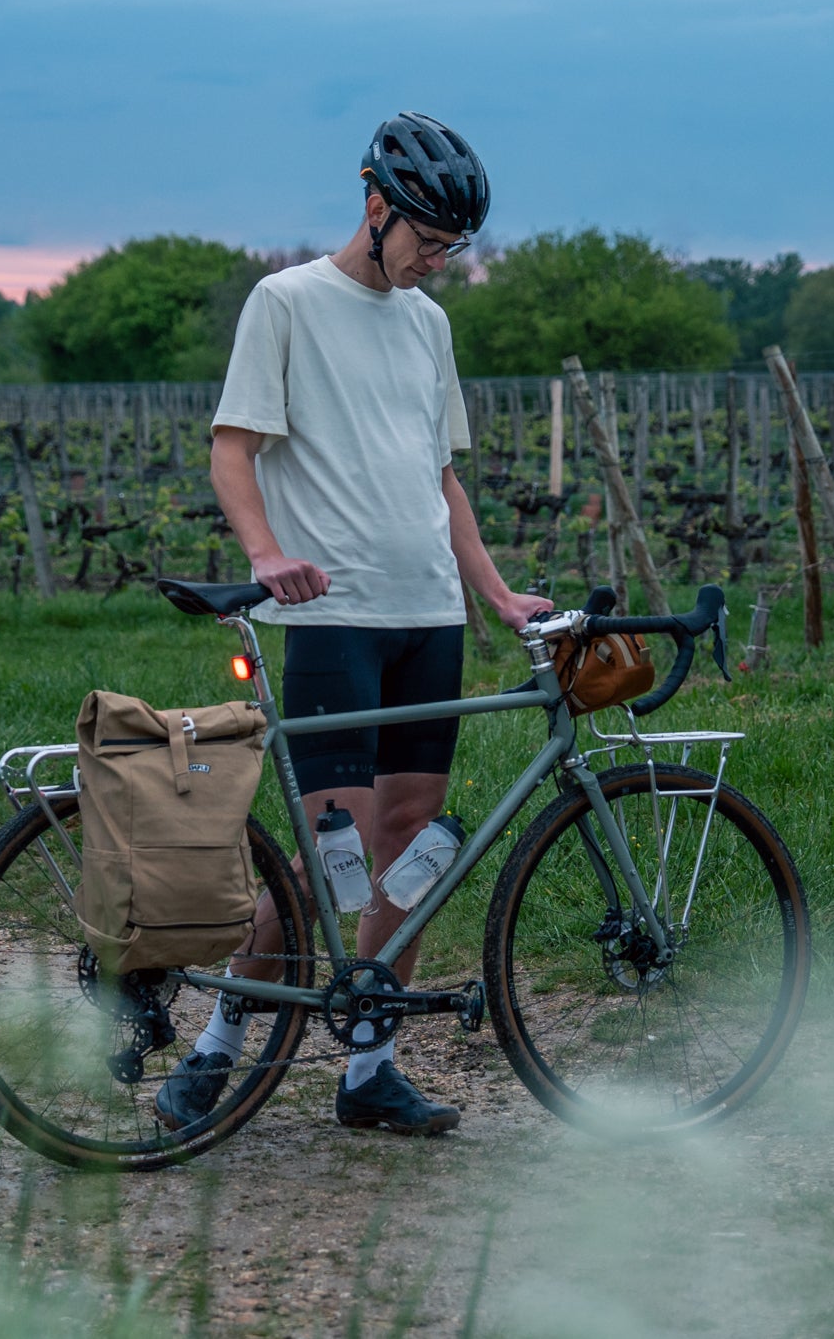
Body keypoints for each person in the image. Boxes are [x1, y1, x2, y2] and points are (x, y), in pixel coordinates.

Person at [155, 111, 553, 1137]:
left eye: (451, 247)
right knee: (324, 859)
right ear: (374, 205)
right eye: (425, 238)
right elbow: (231, 451)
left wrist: (498, 597)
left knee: (412, 843)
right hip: (332, 615)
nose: (436, 260)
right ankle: (217, 1047)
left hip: (429, 612)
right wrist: (262, 556)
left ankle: (368, 1067)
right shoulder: (285, 302)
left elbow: (441, 479)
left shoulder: (429, 324)